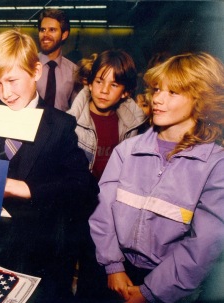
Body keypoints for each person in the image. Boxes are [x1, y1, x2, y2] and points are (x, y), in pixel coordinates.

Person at [0, 29, 99, 303]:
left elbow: (83, 187)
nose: (5, 93)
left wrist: (27, 188)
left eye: (12, 80)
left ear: (35, 71)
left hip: (39, 255)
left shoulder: (59, 124)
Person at [89, 52, 224, 303]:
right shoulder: (127, 150)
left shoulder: (215, 166)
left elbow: (204, 244)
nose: (158, 99)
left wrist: (151, 292)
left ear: (201, 100)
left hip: (171, 284)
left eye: (172, 92)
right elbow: (103, 212)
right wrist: (113, 266)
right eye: (157, 89)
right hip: (116, 272)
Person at [66, 49, 147, 181]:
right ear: (90, 84)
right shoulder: (70, 124)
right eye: (99, 82)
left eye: (114, 85)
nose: (104, 90)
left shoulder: (134, 126)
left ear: (125, 92)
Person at [36, 9, 78, 111]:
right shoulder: (27, 64)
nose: (45, 34)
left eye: (52, 30)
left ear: (64, 35)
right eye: (43, 30)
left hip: (60, 125)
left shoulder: (74, 71)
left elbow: (76, 109)